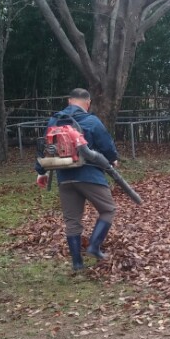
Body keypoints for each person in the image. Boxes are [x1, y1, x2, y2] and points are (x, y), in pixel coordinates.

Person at [35, 88, 119, 271]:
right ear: (87, 104)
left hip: (64, 176)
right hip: (89, 175)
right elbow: (106, 145)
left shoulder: (54, 121)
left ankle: (77, 264)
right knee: (108, 209)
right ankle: (94, 247)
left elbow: (44, 148)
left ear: (69, 101)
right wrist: (113, 159)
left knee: (72, 220)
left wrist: (41, 172)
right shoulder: (91, 120)